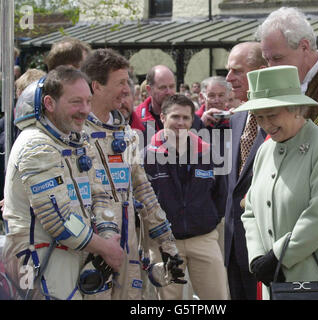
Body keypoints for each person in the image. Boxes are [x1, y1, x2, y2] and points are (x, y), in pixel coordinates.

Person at [1, 66, 124, 300]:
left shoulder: (72, 139)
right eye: (76, 102)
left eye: (88, 101)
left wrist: (108, 234)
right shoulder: (36, 145)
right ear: (49, 103)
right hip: (40, 254)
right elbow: (58, 218)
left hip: (76, 248)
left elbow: (100, 194)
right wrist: (104, 247)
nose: (85, 110)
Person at [237, 65, 318, 300]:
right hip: (277, 283)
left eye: (272, 115)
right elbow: (250, 210)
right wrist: (258, 257)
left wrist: (279, 255)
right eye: (259, 117)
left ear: (296, 109)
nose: (266, 124)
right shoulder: (264, 151)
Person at [80, 49, 185, 300]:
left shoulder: (125, 133)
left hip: (128, 244)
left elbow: (143, 190)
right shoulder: (76, 134)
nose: (127, 89)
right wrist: (102, 243)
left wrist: (167, 244)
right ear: (96, 87)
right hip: (93, 246)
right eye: (120, 83)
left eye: (127, 82)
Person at [257, 7, 318, 216]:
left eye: (277, 58)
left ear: (304, 47)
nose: (270, 67)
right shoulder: (286, 86)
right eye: (267, 60)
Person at [144, 94, 228, 300]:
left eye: (186, 118)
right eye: (175, 117)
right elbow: (143, 199)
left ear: (193, 121)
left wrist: (207, 219)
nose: (180, 123)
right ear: (162, 117)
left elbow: (221, 194)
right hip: (164, 242)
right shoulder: (147, 155)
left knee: (217, 298)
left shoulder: (208, 152)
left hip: (204, 238)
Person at [224, 41, 267, 300]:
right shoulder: (237, 117)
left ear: (260, 71)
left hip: (263, 247)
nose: (229, 78)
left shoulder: (281, 119)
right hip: (232, 244)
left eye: (237, 71)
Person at [135, 65, 204, 146]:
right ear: (149, 90)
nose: (168, 92)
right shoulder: (136, 120)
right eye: (162, 87)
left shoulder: (194, 120)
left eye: (171, 86)